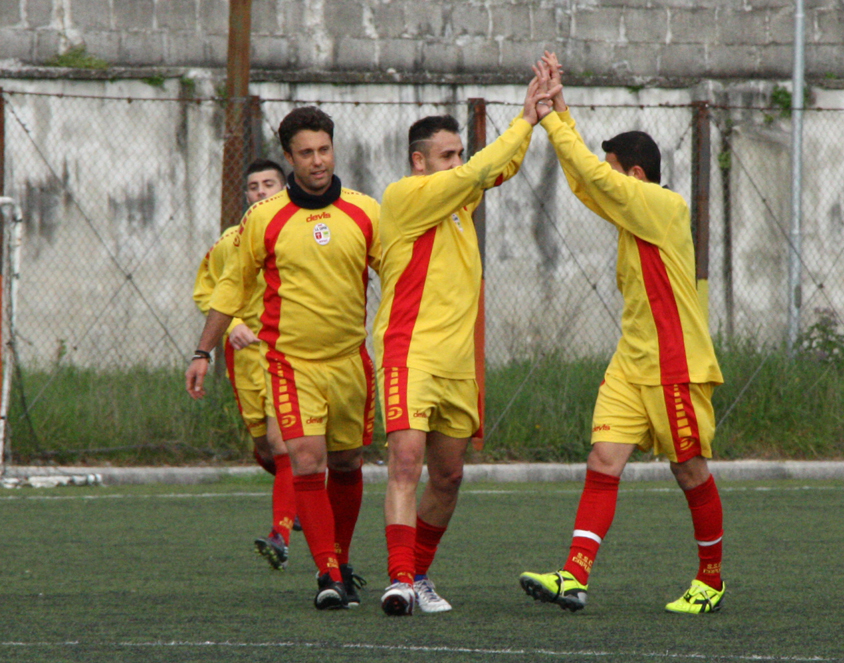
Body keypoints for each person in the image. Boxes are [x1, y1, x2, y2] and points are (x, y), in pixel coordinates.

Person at [518, 54, 726, 614]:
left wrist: (552, 121)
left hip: (675, 364)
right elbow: (589, 183)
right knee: (603, 462)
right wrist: (559, 109)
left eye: (615, 170)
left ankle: (710, 579)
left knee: (688, 469)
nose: (607, 179)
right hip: (631, 365)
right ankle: (573, 576)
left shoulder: (663, 205)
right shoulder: (631, 207)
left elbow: (591, 175)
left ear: (634, 176)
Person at [373, 75, 559, 616]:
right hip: (410, 351)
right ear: (419, 161)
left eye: (459, 153)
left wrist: (538, 113)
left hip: (458, 362)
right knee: (406, 463)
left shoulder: (460, 194)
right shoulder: (406, 196)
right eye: (446, 155)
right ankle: (400, 580)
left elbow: (498, 167)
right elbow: (483, 168)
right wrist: (522, 118)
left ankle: (421, 573)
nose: (458, 161)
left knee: (449, 476)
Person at [186, 107, 381, 611]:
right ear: (290, 158)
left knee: (347, 463)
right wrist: (203, 349)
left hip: (350, 362)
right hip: (290, 363)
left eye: (324, 150)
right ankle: (329, 573)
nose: (317, 161)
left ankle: (340, 556)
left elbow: (401, 274)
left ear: (333, 150)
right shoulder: (264, 218)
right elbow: (232, 286)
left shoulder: (366, 212)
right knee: (306, 461)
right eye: (306, 153)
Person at [192, 158, 302, 573]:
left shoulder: (299, 234)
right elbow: (206, 290)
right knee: (264, 449)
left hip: (288, 354)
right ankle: (302, 497)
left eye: (268, 184)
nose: (259, 192)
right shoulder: (230, 241)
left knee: (281, 442)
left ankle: (281, 535)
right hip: (245, 362)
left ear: (284, 187)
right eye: (253, 186)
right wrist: (232, 325)